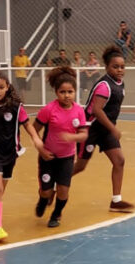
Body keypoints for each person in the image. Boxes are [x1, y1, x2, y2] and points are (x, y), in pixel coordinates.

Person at [0, 70, 44, 241]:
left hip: (10, 152)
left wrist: (35, 138)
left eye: (1, 87)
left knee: (0, 190)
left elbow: (27, 125)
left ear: (7, 88)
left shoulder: (16, 107)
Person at [74, 45, 135, 212]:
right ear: (107, 67)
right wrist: (113, 129)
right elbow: (96, 110)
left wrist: (110, 129)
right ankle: (58, 183)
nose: (120, 70)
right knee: (80, 166)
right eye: (115, 67)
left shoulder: (120, 83)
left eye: (122, 67)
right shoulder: (104, 86)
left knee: (119, 161)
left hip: (105, 130)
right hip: (91, 129)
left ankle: (116, 200)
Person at [33, 67, 88, 228]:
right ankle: (43, 200)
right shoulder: (48, 110)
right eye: (62, 92)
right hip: (48, 157)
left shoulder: (78, 111)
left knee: (63, 190)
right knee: (46, 191)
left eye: (70, 91)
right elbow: (33, 130)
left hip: (67, 158)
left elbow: (84, 134)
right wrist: (41, 149)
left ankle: (56, 214)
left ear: (75, 92)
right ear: (56, 92)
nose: (67, 95)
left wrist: (73, 137)